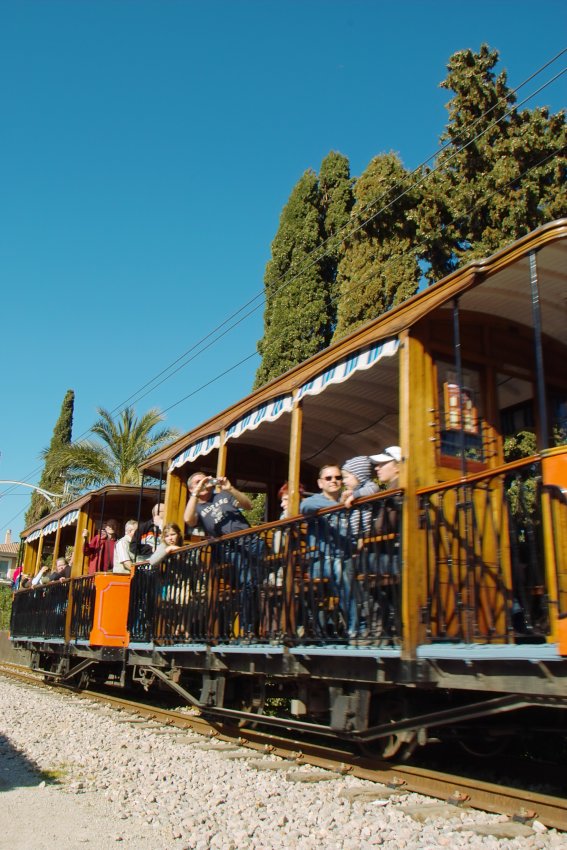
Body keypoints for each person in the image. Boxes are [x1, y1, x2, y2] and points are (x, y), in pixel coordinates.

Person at [300, 464, 355, 637]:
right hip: (320, 561)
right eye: (329, 478)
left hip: (346, 558)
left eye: (338, 478)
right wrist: (340, 505)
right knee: (338, 568)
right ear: (320, 483)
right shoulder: (313, 502)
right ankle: (357, 627)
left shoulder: (349, 502)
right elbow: (305, 507)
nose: (334, 481)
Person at [184, 473, 252, 537]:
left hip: (249, 540)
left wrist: (230, 489)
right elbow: (188, 520)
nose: (202, 484)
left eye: (205, 481)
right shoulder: (195, 509)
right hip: (225, 547)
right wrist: (197, 491)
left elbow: (249, 506)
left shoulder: (224, 494)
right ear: (191, 489)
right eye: (198, 482)